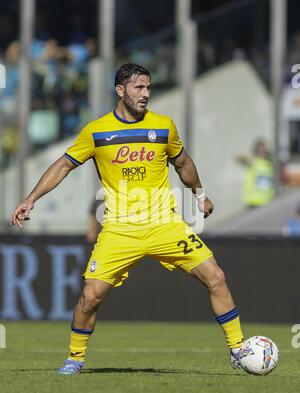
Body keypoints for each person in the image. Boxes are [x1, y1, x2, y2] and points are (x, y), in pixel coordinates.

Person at [12, 63, 245, 375]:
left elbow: (183, 162)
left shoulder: (164, 127)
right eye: (139, 88)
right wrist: (31, 198)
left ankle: (238, 348)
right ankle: (75, 358)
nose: (146, 94)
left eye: (148, 88)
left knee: (215, 276)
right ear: (120, 90)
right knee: (90, 297)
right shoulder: (96, 131)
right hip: (120, 229)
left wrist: (200, 196)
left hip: (165, 224)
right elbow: (64, 165)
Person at [237, 138, 275, 208]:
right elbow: (238, 157)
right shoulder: (253, 162)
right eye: (260, 150)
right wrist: (250, 157)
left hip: (267, 203)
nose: (263, 152)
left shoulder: (269, 164)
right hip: (253, 203)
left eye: (265, 150)